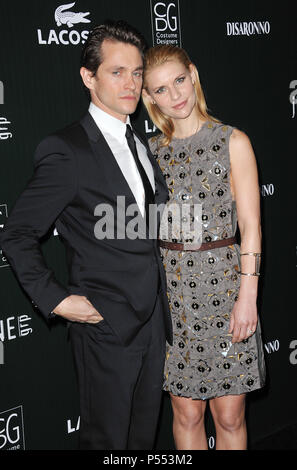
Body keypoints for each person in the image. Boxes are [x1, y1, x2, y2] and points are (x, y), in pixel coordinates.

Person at [0, 21, 173, 450]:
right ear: (88, 76)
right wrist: (59, 301)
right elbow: (17, 234)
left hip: (153, 323)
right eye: (117, 72)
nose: (131, 83)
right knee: (107, 443)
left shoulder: (141, 143)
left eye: (136, 72)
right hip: (106, 329)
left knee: (141, 441)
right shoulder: (67, 150)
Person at [142, 45, 266, 450]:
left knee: (229, 417)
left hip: (227, 291)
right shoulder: (149, 153)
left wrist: (248, 297)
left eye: (179, 80)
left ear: (193, 74)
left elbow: (251, 226)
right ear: (149, 97)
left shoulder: (233, 142)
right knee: (187, 413)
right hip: (173, 301)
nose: (175, 95)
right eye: (160, 89)